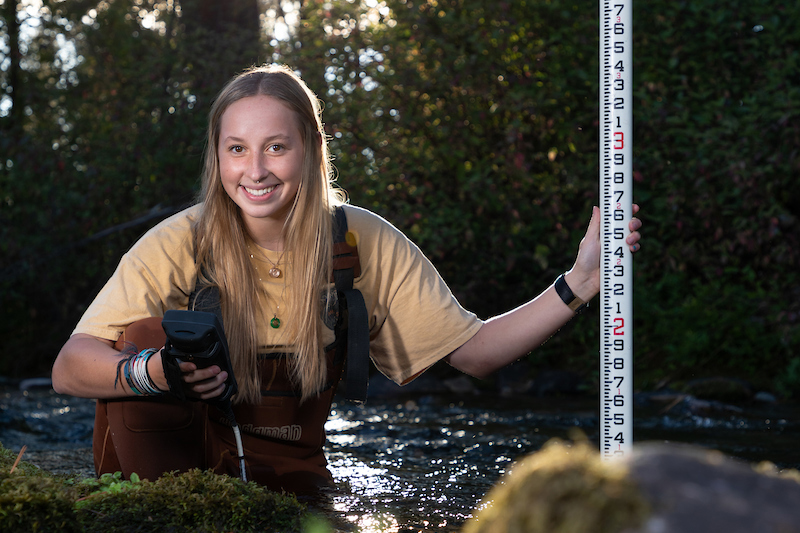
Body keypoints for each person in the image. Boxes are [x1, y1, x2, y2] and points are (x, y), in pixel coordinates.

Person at [52, 64, 643, 494]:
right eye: (237, 149)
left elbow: (477, 354)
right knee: (141, 333)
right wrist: (152, 372)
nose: (254, 170)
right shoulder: (181, 240)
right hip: (176, 480)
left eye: (276, 147)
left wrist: (579, 284)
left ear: (309, 148)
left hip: (294, 481)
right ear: (218, 157)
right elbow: (69, 367)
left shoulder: (361, 241)